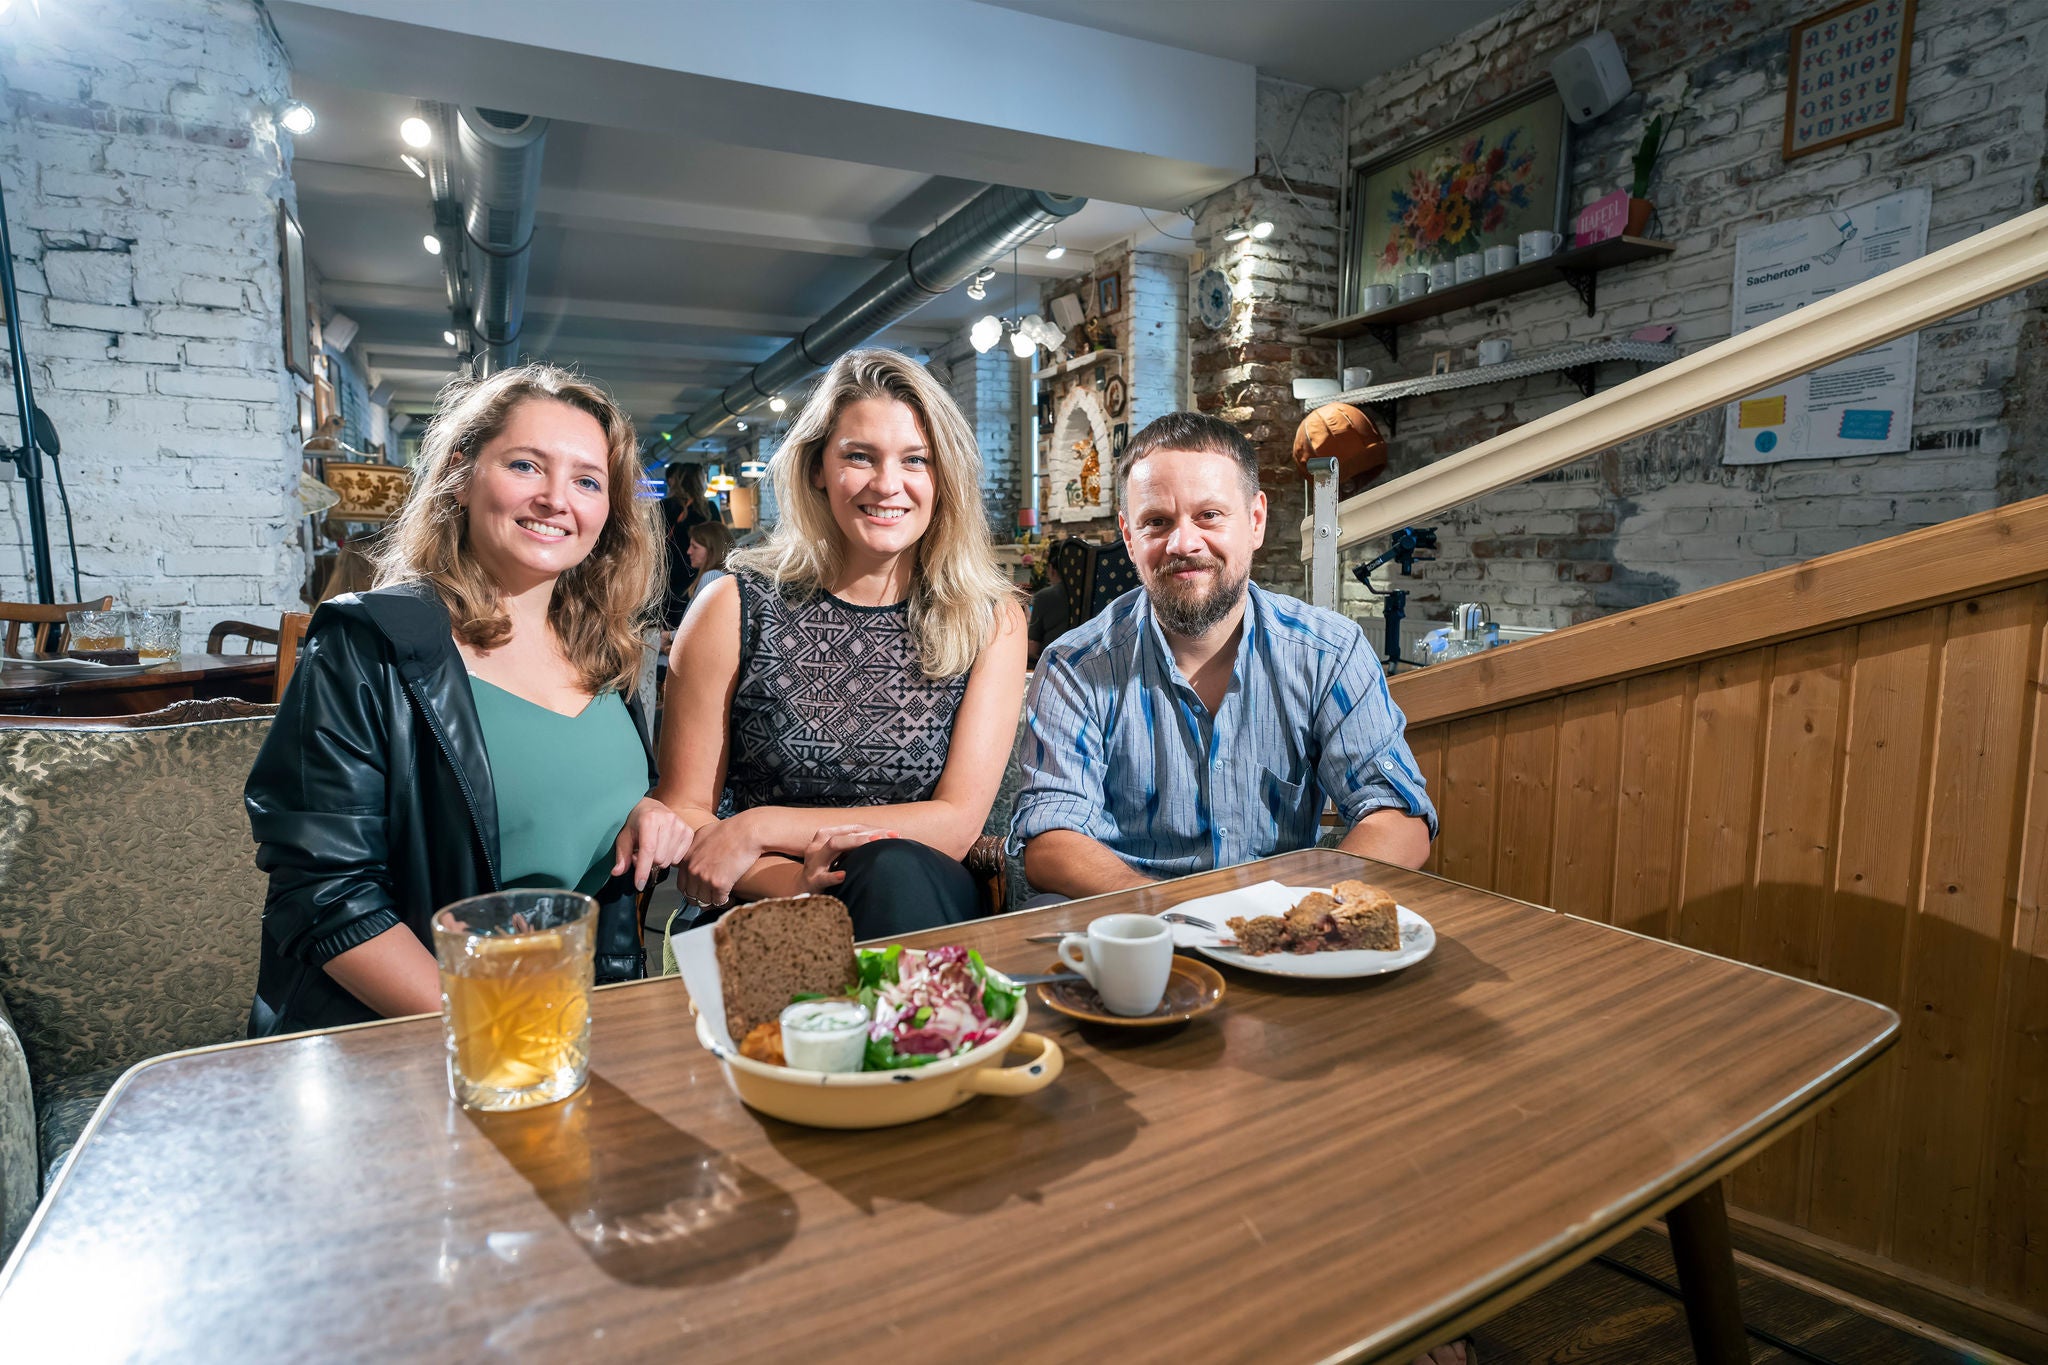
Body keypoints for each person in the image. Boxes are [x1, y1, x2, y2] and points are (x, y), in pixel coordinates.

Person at [245, 364, 693, 1037]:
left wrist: (649, 811)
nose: (555, 498)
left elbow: (571, 803)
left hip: (580, 1016)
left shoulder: (607, 650)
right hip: (421, 1036)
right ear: (460, 473)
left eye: (587, 480)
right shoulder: (368, 641)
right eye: (525, 465)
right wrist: (496, 1027)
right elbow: (325, 897)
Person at [655, 348, 1027, 938]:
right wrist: (797, 884)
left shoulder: (988, 619)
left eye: (916, 460)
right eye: (860, 456)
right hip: (764, 903)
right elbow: (683, 809)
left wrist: (758, 826)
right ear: (816, 469)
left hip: (919, 899)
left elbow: (955, 825)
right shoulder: (733, 606)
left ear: (944, 477)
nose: (888, 484)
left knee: (893, 869)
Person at [1011, 410, 1436, 900]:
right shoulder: (1074, 665)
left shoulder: (1330, 653)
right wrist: (1173, 912)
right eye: (1157, 522)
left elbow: (1397, 814)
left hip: (1283, 929)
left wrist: (1307, 913)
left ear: (1255, 521)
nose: (1184, 543)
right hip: (1134, 929)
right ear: (1129, 537)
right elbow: (1050, 839)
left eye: (1209, 515)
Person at [659, 461, 710, 628]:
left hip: (668, 575)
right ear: (699, 481)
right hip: (701, 574)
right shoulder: (708, 509)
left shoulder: (663, 507)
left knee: (670, 625)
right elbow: (721, 542)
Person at [1025, 557, 1069, 667]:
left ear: (1051, 569)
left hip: (1051, 666)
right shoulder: (1089, 595)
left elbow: (1032, 649)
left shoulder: (1044, 597)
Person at [684, 519, 733, 610]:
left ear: (712, 551)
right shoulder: (725, 576)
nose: (689, 551)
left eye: (695, 547)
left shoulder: (712, 576)